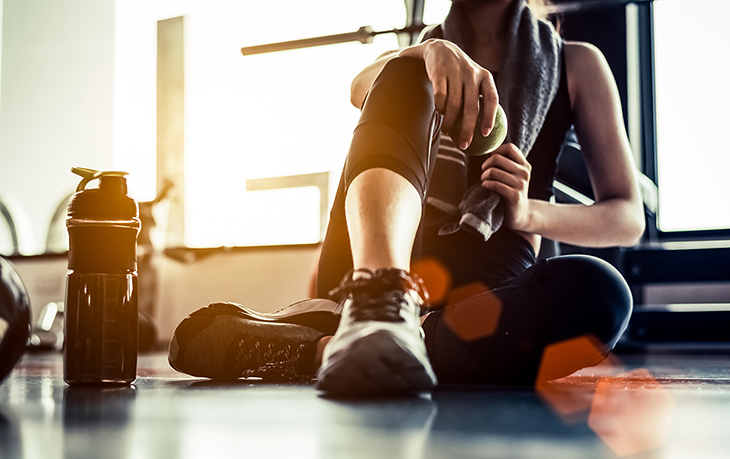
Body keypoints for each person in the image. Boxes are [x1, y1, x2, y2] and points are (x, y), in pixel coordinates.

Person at [167, 0, 644, 394]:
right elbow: (358, 87)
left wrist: (526, 211)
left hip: (486, 288)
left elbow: (626, 216)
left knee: (600, 295)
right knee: (401, 70)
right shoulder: (416, 58)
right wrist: (428, 51)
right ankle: (381, 304)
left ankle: (328, 348)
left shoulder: (576, 62)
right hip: (376, 261)